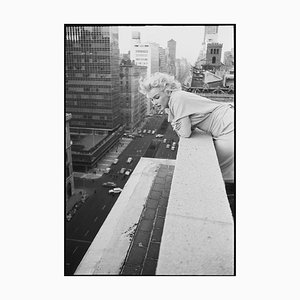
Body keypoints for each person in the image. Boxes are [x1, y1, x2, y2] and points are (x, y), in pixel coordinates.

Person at [139, 72, 234, 183]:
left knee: (217, 174)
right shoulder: (173, 101)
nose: (154, 103)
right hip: (226, 125)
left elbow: (184, 133)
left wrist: (178, 124)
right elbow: (183, 128)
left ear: (168, 91)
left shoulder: (177, 99)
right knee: (219, 173)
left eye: (156, 97)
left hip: (228, 127)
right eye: (151, 99)